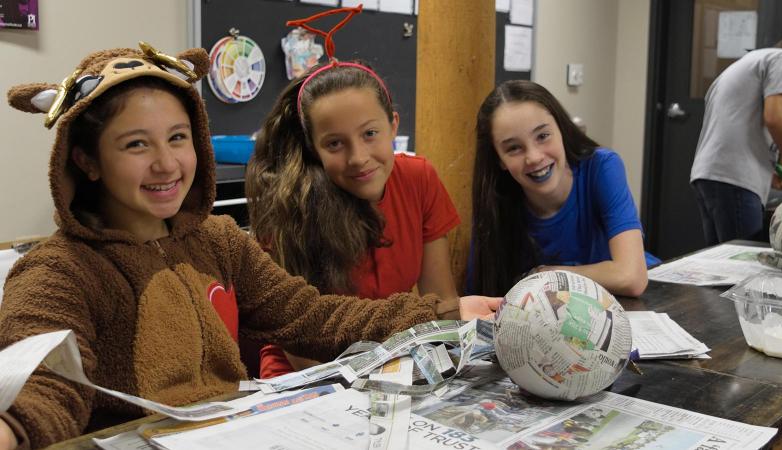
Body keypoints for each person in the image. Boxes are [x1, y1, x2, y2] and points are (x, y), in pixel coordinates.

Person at [0, 44, 498, 450]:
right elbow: (45, 383)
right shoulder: (59, 271)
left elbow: (313, 316)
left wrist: (450, 311)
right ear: (85, 160)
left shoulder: (217, 240)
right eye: (136, 145)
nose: (167, 164)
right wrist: (16, 426)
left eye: (177, 138)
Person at [247, 13, 461, 379]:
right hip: (308, 378)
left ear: (393, 125)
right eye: (334, 144)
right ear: (313, 148)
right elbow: (303, 350)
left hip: (394, 368)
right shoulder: (289, 205)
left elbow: (442, 307)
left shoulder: (419, 178)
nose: (358, 158)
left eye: (370, 134)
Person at [468, 80, 658, 298]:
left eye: (542, 136)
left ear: (562, 129)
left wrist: (546, 275)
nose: (534, 157)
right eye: (513, 148)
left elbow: (631, 277)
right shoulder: (494, 203)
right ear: (499, 160)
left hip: (641, 297)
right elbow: (483, 298)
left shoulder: (601, 167)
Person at [690, 38, 782, 246]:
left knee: (720, 264)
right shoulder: (781, 58)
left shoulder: (741, 66)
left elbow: (737, 125)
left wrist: (769, 171)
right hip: (735, 177)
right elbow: (774, 117)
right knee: (744, 262)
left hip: (708, 174)